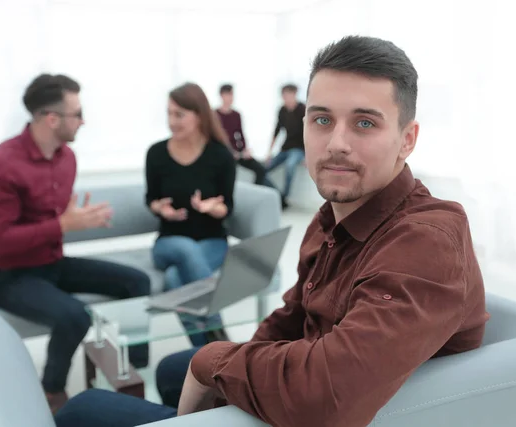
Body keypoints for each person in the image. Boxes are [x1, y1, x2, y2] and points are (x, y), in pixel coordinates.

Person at [54, 36, 488, 427]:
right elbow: (291, 319)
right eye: (321, 120)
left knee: (82, 409)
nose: (336, 142)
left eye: (364, 123)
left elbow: (325, 398)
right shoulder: (330, 218)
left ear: (407, 139)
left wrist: (214, 361)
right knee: (172, 369)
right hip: (310, 373)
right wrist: (225, 370)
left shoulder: (427, 238)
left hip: (335, 409)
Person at [0, 73, 151, 414]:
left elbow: (57, 223)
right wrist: (62, 224)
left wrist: (72, 222)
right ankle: (51, 393)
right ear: (52, 118)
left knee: (138, 282)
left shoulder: (66, 158)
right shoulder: (3, 163)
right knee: (75, 316)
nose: (83, 121)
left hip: (52, 264)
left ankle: (131, 372)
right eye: (77, 113)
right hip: (9, 275)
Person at [144, 82, 236, 347]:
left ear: (199, 115)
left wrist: (212, 208)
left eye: (179, 114)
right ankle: (220, 341)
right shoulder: (156, 153)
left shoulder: (220, 155)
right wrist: (159, 208)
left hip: (213, 242)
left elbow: (227, 206)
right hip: (168, 243)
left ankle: (203, 357)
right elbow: (150, 198)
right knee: (185, 249)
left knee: (175, 278)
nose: (172, 121)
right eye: (169, 114)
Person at [215, 84, 275, 190]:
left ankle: (256, 194)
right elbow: (215, 137)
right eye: (227, 94)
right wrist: (230, 152)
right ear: (221, 95)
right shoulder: (214, 114)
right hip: (223, 152)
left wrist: (244, 149)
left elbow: (240, 134)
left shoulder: (236, 114)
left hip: (238, 153)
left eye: (231, 94)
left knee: (260, 169)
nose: (230, 97)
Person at [266, 83, 306, 209]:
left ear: (295, 94)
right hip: (285, 148)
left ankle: (285, 197)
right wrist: (269, 152)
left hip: (298, 149)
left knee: (290, 166)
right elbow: (277, 131)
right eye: (285, 95)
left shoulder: (302, 109)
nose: (287, 98)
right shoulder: (282, 110)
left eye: (290, 95)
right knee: (265, 169)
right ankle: (278, 195)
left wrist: (309, 156)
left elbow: (309, 133)